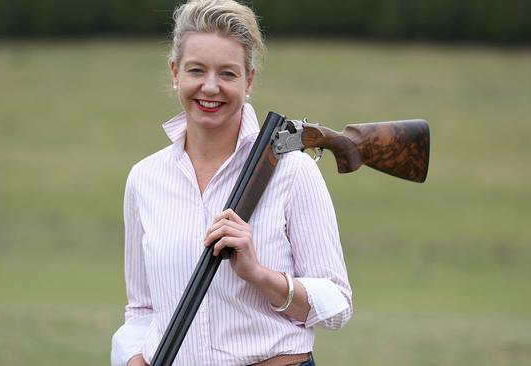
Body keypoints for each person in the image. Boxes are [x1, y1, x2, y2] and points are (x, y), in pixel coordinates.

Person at [111, 1, 352, 365]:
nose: (210, 87)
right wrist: (132, 358)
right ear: (175, 71)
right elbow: (142, 308)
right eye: (196, 70)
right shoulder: (145, 179)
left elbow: (337, 305)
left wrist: (260, 275)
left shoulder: (293, 172)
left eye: (227, 73)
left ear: (249, 80)